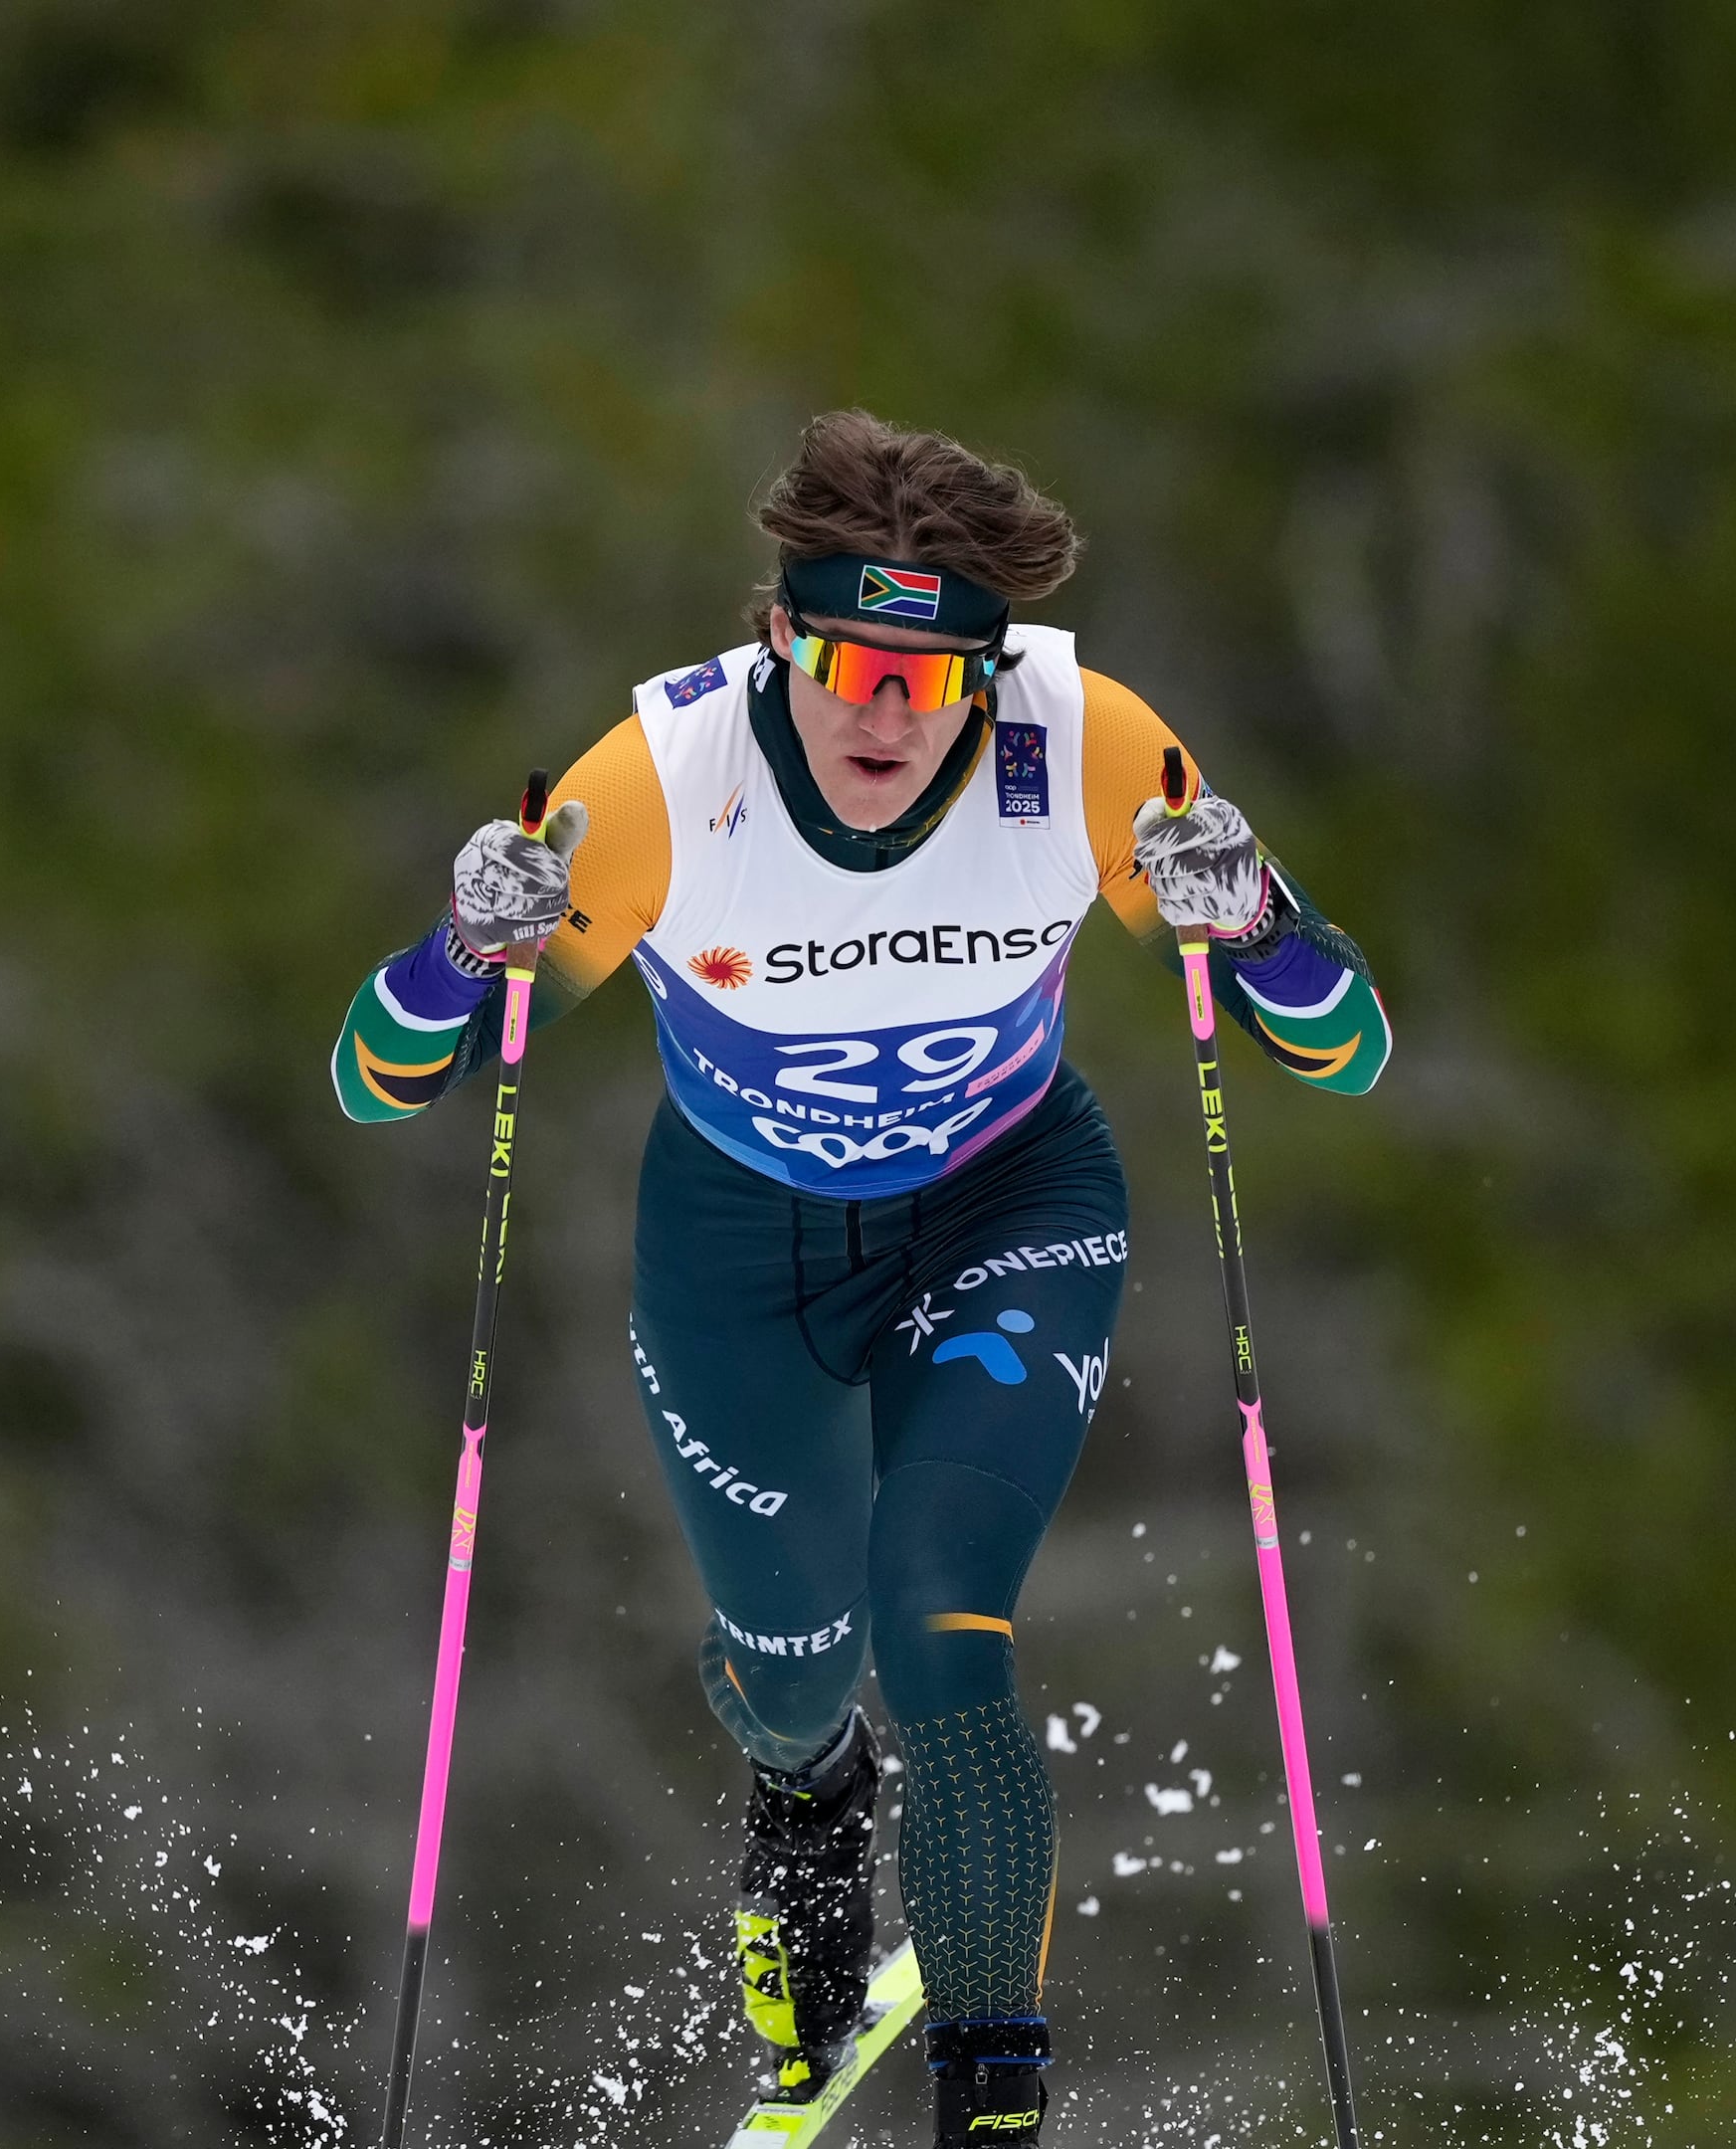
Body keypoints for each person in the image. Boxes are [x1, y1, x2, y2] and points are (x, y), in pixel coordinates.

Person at [329, 410, 1388, 2144]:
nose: (887, 712)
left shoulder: (1088, 748)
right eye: (849, 663)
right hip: (739, 1251)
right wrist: (463, 952)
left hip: (1008, 1199)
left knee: (942, 1620)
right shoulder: (661, 789)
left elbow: (1343, 1057)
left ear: (991, 676)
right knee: (803, 1666)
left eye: (935, 676)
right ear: (780, 641)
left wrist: (1257, 914)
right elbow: (380, 1080)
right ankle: (805, 1795)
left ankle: (994, 2101)